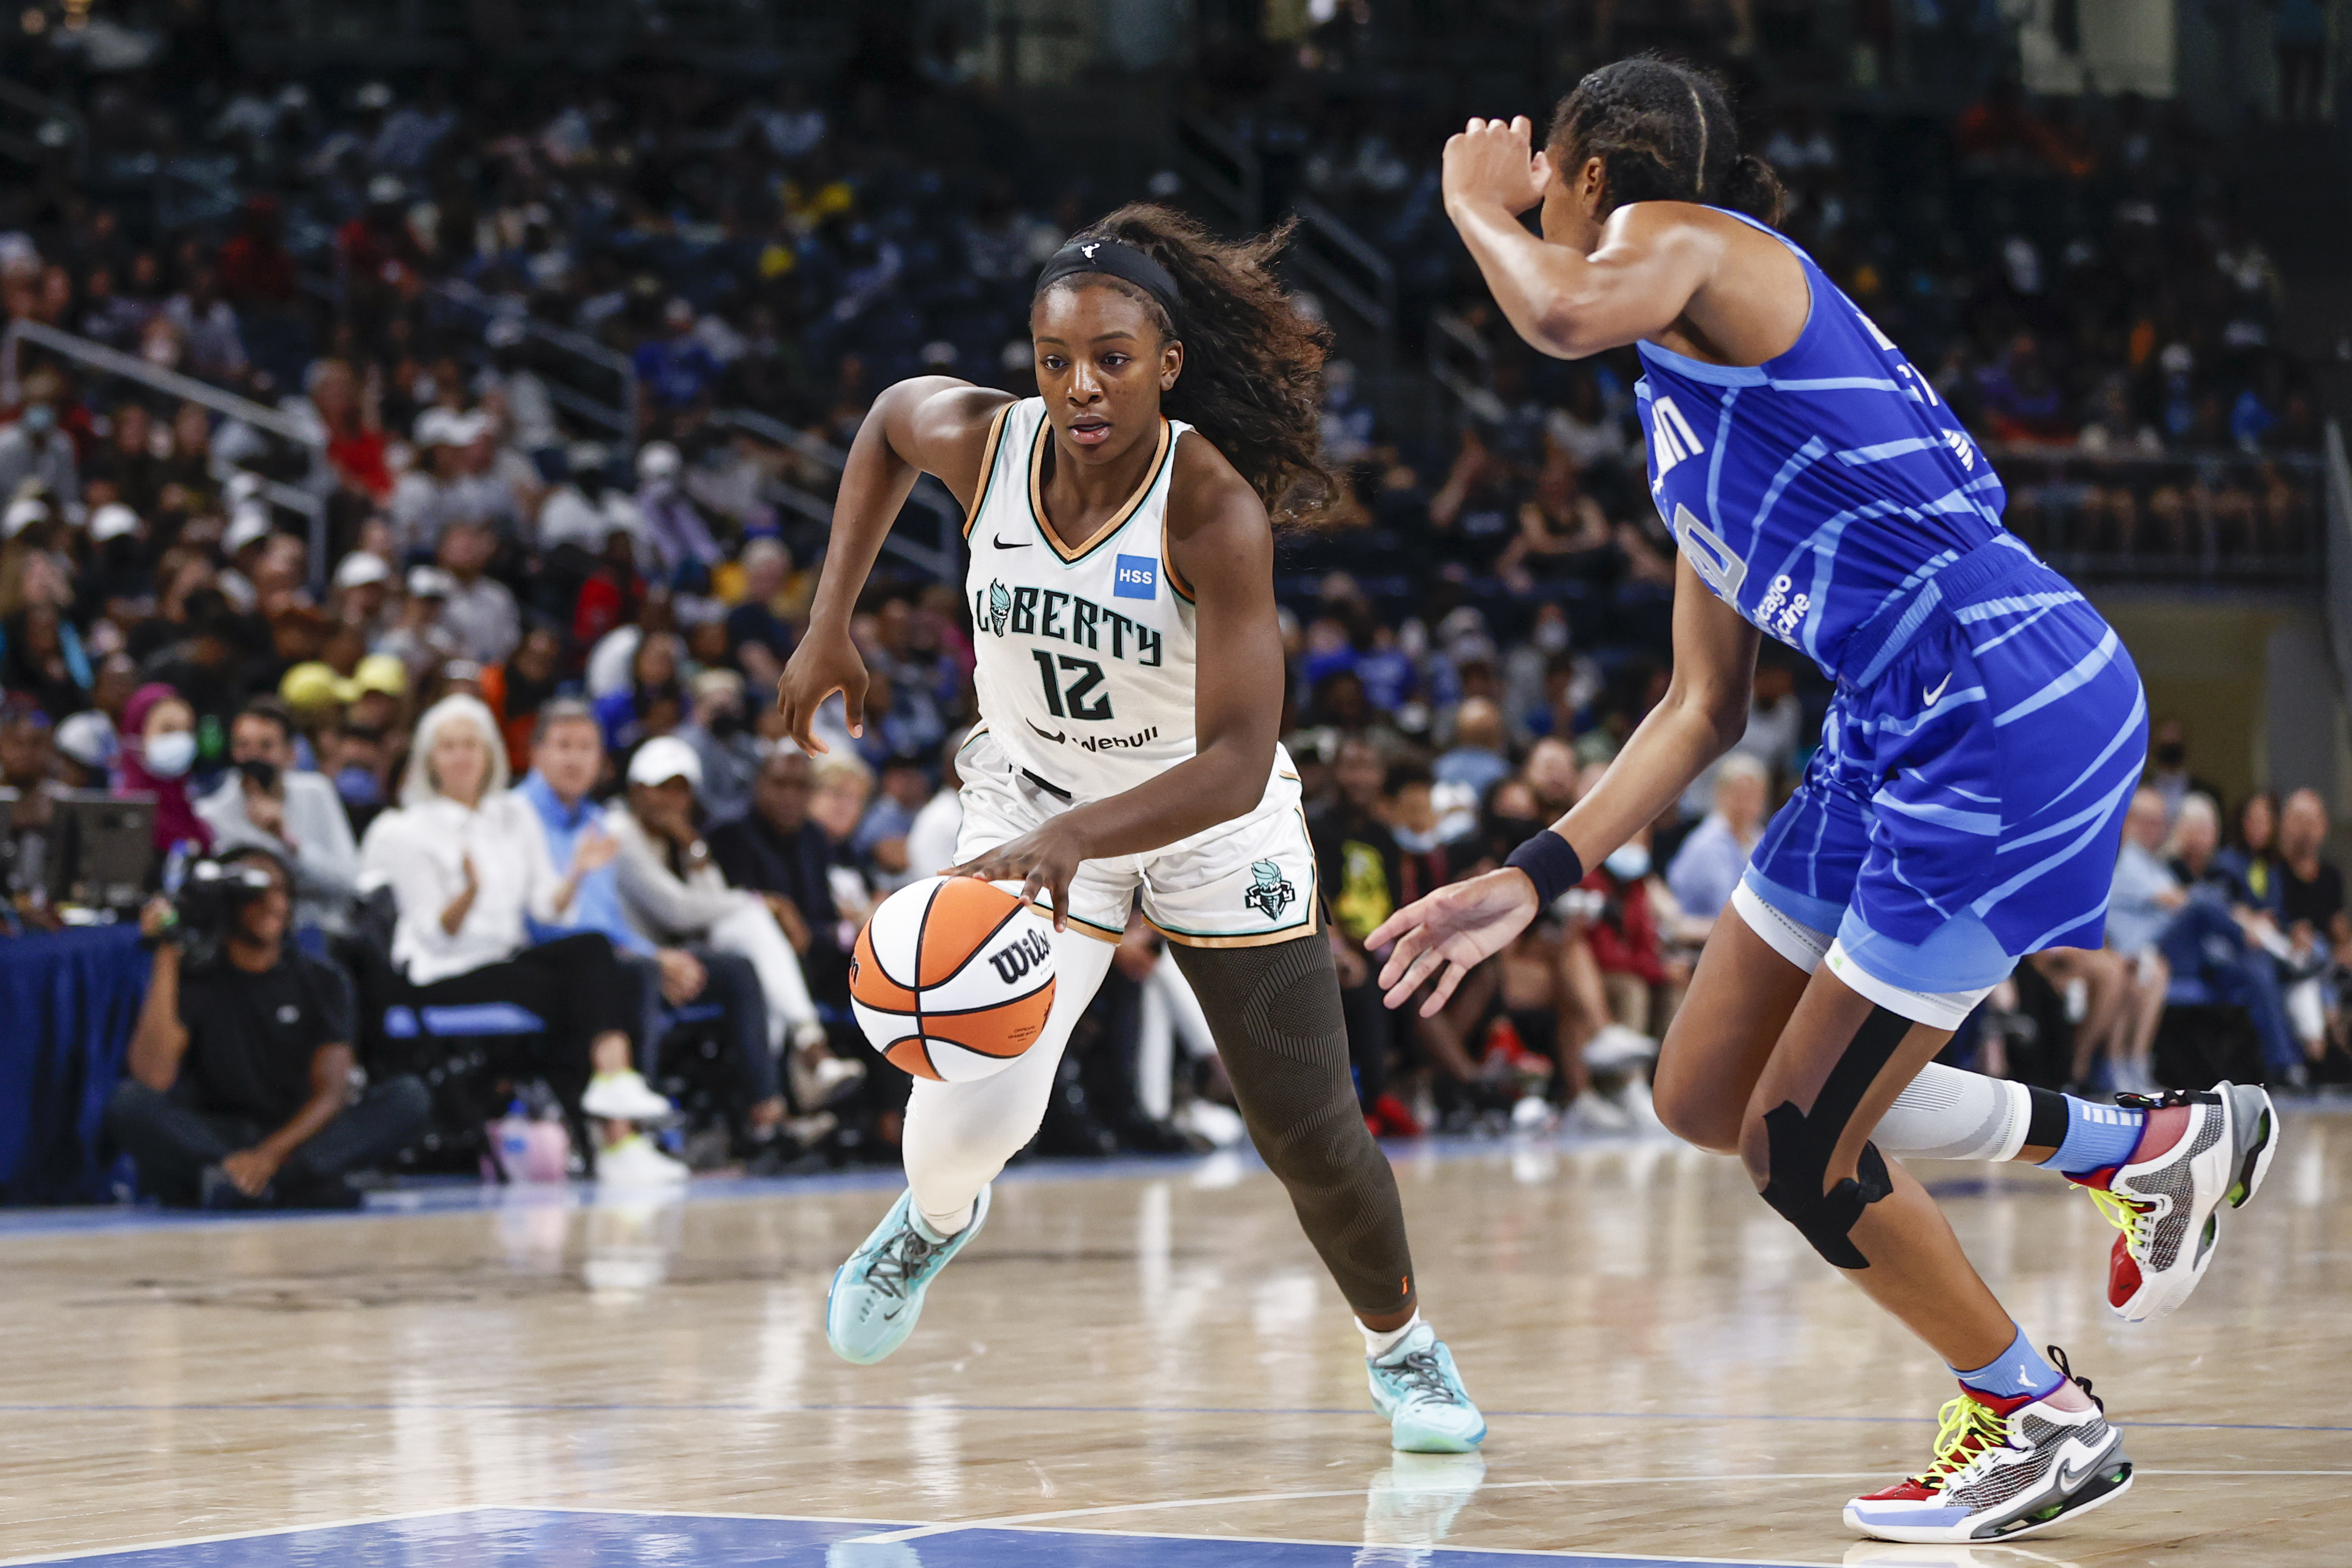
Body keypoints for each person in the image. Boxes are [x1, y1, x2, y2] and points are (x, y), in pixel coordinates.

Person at [1368, 63, 2274, 1538]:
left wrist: (1478, 205)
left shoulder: (1694, 241)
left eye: (1556, 190)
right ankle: (2136, 1147)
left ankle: (2030, 1413)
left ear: (1590, 179)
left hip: (1991, 697)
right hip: (1888, 721)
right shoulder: (1686, 411)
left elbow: (1556, 311)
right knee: (1706, 1090)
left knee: (1798, 1140)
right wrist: (1530, 872)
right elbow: (1698, 707)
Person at [779, 204, 1485, 1452]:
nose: (1080, 385)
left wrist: (1082, 841)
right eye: (1054, 359)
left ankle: (1404, 1350)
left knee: (1306, 1129)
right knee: (967, 1118)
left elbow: (1236, 761)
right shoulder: (985, 444)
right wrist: (829, 618)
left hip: (1203, 820)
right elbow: (888, 419)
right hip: (1031, 800)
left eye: (1110, 358)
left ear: (1166, 363)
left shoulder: (1209, 508)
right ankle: (931, 1221)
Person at [357, 694, 682, 1182]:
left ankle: (614, 1085)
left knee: (593, 949)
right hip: (439, 972)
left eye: (471, 745)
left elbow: (545, 907)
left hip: (502, 958)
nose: (462, 756)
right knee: (572, 994)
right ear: (429, 758)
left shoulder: (513, 815)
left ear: (489, 753)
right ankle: (615, 1138)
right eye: (449, 746)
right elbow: (432, 936)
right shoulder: (404, 830)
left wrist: (577, 872)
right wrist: (467, 895)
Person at [514, 701, 801, 1159]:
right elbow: (540, 919)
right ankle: (637, 1131)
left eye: (585, 748)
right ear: (536, 754)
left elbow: (608, 917)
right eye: (563, 746)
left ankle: (765, 1120)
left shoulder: (594, 821)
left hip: (606, 951)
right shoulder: (521, 816)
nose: (574, 759)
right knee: (638, 974)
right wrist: (652, 955)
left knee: (735, 970)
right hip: (545, 956)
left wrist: (654, 949)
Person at [108, 846, 430, 1207]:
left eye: (282, 891)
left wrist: (268, 1157)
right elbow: (152, 1078)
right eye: (256, 893)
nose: (273, 904)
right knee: (128, 1104)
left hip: (299, 1134)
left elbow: (333, 1091)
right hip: (219, 1133)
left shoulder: (322, 980)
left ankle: (245, 1183)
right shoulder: (196, 980)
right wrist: (166, 951)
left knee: (408, 1097)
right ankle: (289, 1185)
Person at [608, 735, 864, 1112]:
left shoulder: (674, 838)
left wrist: (692, 846)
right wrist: (759, 901)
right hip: (638, 960)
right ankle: (805, 1058)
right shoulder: (621, 833)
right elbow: (678, 910)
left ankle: (787, 1087)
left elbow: (710, 901)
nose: (670, 801)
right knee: (750, 931)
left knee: (751, 960)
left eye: (680, 791)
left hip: (681, 953)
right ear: (637, 790)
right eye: (660, 788)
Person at [195, 696, 361, 935]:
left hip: (317, 929)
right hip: (243, 934)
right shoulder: (210, 815)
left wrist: (289, 842)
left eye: (266, 746)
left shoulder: (317, 792)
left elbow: (349, 883)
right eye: (243, 746)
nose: (253, 757)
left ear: (290, 753)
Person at [708, 745, 852, 1008]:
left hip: (818, 953)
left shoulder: (815, 836)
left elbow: (828, 912)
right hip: (762, 956)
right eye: (780, 784)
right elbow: (731, 905)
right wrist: (774, 907)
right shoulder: (729, 834)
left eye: (800, 787)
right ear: (758, 785)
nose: (789, 796)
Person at [1666, 753, 1767, 933]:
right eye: (1740, 794)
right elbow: (1730, 910)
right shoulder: (1707, 843)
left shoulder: (1759, 837)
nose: (1746, 803)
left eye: (1753, 795)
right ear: (1721, 794)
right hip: (1701, 937)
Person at [116, 683, 212, 857]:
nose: (181, 740)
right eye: (168, 729)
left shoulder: (193, 819)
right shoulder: (121, 817)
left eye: (187, 730)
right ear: (136, 733)